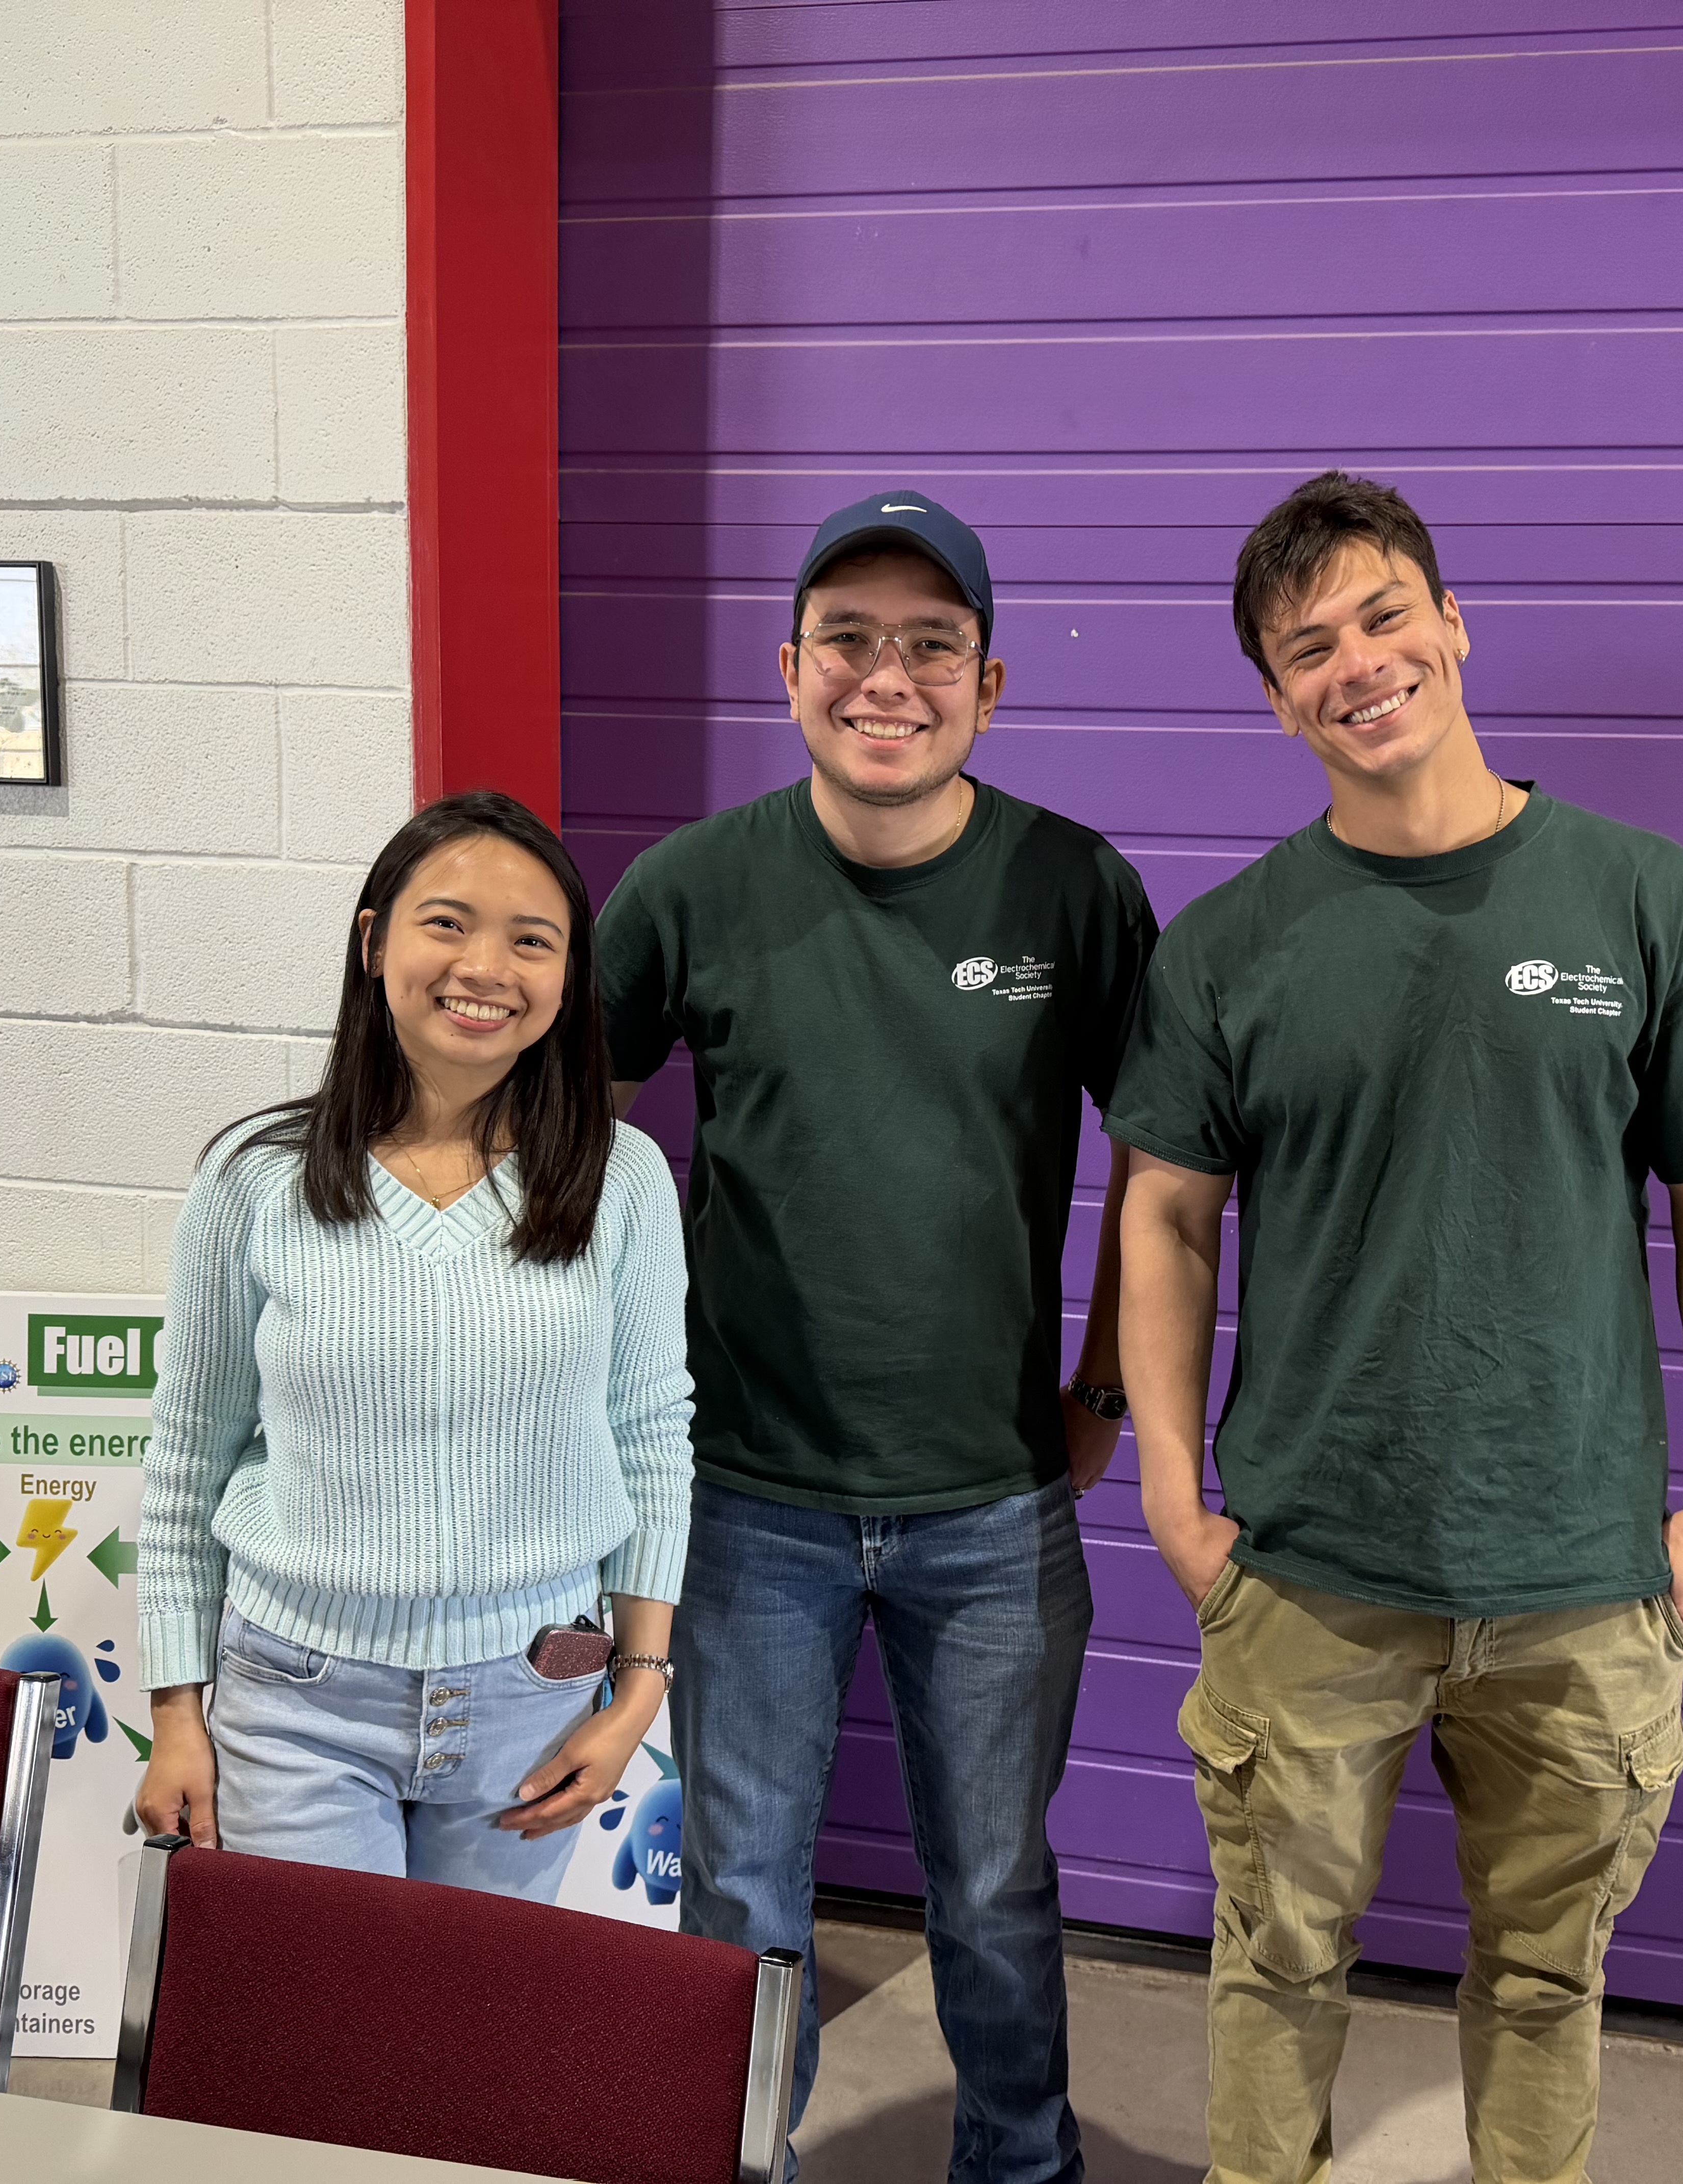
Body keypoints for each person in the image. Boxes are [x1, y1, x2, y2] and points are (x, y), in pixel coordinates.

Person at [1112, 473, 1683, 2184]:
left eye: (1382, 618)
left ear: (1450, 622)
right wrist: (1167, 1494)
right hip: (1306, 1568)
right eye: (1308, 649)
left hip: (1582, 1574)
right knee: (1274, 1965)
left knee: (1541, 1977)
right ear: (1276, 696)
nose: (1357, 665)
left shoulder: (1639, 900)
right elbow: (1163, 1218)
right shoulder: (1231, 947)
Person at [599, 491, 1158, 2183]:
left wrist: (1105, 1388)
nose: (886, 678)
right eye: (849, 639)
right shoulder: (691, 887)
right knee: (743, 1887)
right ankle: (729, 2157)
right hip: (745, 1498)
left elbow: (1168, 1167)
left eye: (931, 645)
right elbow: (572, 1166)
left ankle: (1019, 2164)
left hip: (988, 1506)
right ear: (790, 671)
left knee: (992, 1887)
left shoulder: (1075, 889)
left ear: (989, 684)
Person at [134, 791, 694, 1896]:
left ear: (569, 974)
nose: (486, 966)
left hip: (532, 1692)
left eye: (532, 940)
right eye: (447, 922)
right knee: (322, 2038)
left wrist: (637, 1691)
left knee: (469, 2037)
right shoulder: (255, 1175)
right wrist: (174, 1712)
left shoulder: (622, 1181)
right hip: (294, 1698)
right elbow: (188, 1454)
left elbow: (650, 1439)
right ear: (373, 937)